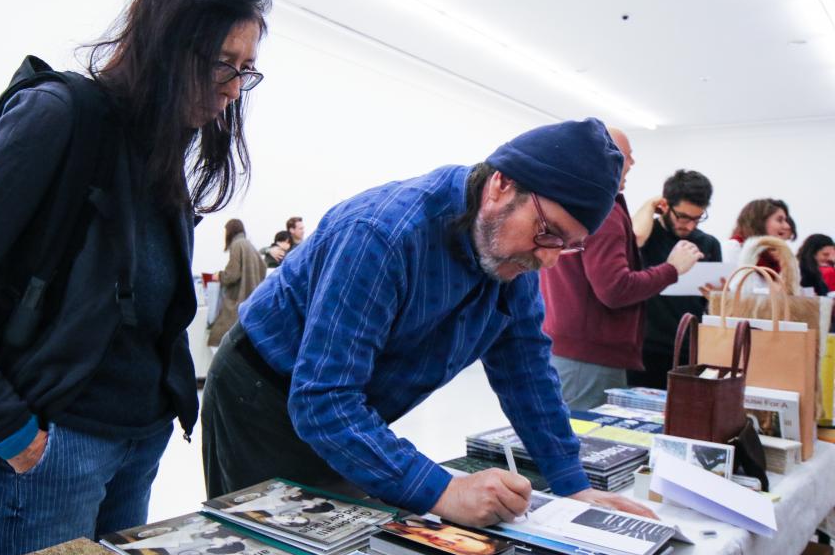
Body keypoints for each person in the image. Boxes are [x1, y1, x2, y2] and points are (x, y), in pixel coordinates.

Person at [0, 0, 271, 555]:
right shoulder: (60, 117)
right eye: (223, 64)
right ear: (167, 44)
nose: (234, 88)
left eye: (246, 70)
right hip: (52, 452)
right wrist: (14, 434)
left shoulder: (160, 148)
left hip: (136, 442)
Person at [201, 118, 656, 529]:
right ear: (501, 186)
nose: (550, 259)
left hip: (348, 407)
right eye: (548, 232)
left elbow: (526, 370)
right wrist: (443, 491)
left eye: (568, 245)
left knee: (347, 537)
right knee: (272, 550)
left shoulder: (514, 257)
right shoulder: (382, 235)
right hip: (261, 396)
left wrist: (571, 482)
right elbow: (323, 397)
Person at [540, 128, 703, 409]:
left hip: (572, 351)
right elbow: (614, 289)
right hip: (590, 360)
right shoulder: (603, 210)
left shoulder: (573, 201)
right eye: (627, 156)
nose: (633, 163)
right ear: (606, 158)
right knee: (587, 433)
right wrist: (671, 269)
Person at [627, 169, 722, 388]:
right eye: (683, 217)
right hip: (645, 349)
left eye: (697, 218)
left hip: (690, 349)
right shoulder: (647, 236)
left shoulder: (709, 244)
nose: (689, 225)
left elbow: (711, 305)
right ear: (665, 205)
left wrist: (717, 297)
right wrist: (650, 204)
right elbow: (635, 237)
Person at [208, 219, 267, 346]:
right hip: (251, 301)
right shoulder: (249, 245)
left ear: (230, 231)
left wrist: (219, 275)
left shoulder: (236, 244)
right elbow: (263, 267)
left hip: (237, 302)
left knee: (220, 339)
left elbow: (232, 275)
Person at [726, 198, 796, 272]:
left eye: (785, 221)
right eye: (779, 220)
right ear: (760, 222)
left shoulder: (778, 262)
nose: (787, 226)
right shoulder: (734, 248)